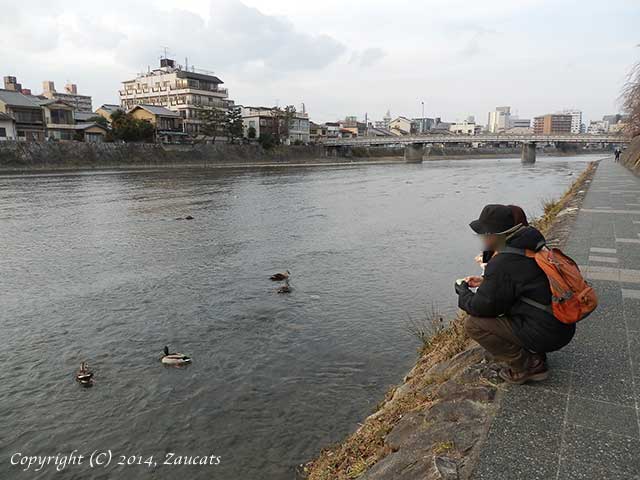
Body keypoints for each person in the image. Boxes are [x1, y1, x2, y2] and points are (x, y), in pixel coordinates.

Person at [455, 204, 576, 384]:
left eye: (483, 234)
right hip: (561, 323)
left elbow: (481, 307)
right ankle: (534, 351)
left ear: (493, 235)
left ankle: (526, 366)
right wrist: (486, 282)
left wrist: (463, 292)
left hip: (548, 332)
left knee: (474, 325)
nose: (482, 239)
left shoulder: (503, 262)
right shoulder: (530, 245)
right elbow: (522, 283)